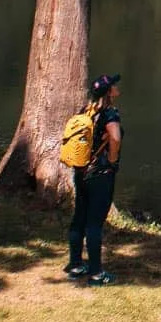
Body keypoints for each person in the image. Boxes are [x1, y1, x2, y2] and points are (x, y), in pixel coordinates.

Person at [66, 73, 124, 285]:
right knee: (94, 224)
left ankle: (75, 264)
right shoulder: (110, 114)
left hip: (81, 171)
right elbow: (115, 138)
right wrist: (112, 160)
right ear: (109, 92)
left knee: (79, 218)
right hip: (100, 173)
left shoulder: (86, 111)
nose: (118, 88)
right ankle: (96, 273)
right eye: (115, 86)